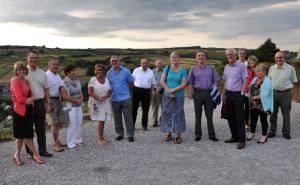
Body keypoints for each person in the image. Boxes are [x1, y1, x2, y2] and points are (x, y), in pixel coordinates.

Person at [10, 61, 45, 165]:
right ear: (16, 72)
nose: (21, 71)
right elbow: (20, 99)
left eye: (23, 69)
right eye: (19, 70)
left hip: (28, 111)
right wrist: (30, 100)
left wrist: (31, 99)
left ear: (26, 71)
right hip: (20, 112)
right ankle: (36, 154)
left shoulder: (27, 82)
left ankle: (17, 155)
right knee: (27, 136)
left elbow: (32, 95)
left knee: (20, 136)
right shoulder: (15, 81)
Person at [188, 50, 220, 142]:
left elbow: (216, 80)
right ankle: (198, 134)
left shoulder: (211, 68)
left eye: (202, 55)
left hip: (209, 93)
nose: (201, 57)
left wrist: (215, 92)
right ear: (196, 58)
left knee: (209, 115)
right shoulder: (193, 69)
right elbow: (190, 83)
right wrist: (191, 93)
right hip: (197, 93)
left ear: (205, 58)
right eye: (199, 55)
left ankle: (212, 135)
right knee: (198, 115)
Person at [25, 51, 52, 158]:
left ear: (38, 59)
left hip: (40, 102)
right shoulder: (23, 72)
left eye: (35, 58)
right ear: (27, 58)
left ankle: (43, 150)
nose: (33, 60)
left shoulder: (42, 73)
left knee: (41, 127)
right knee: (28, 128)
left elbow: (46, 89)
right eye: (31, 57)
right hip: (28, 104)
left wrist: (48, 103)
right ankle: (30, 152)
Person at [268, 51, 298, 139]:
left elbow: (294, 81)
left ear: (284, 58)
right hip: (274, 93)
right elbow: (269, 81)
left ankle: (286, 132)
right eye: (277, 58)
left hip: (286, 93)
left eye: (280, 57)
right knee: (273, 114)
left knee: (286, 114)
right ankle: (272, 131)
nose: (279, 59)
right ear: (275, 58)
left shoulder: (290, 68)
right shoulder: (272, 68)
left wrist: (292, 93)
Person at [222, 48, 248, 149]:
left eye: (231, 54)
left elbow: (245, 79)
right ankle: (234, 137)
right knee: (230, 117)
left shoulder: (241, 66)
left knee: (239, 118)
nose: (229, 56)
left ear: (235, 55)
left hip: (238, 94)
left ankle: (242, 140)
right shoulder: (226, 67)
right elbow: (225, 81)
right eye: (227, 55)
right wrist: (223, 94)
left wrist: (242, 92)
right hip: (228, 94)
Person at [160, 51, 187, 144]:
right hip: (166, 95)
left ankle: (178, 135)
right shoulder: (167, 68)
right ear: (170, 59)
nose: (174, 59)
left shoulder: (183, 70)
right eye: (173, 57)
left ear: (179, 59)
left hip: (178, 96)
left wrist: (172, 91)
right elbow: (162, 81)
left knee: (178, 114)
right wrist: (168, 90)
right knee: (167, 113)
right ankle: (169, 133)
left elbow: (184, 84)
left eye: (176, 57)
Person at [107, 55, 135, 142]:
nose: (114, 62)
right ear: (110, 62)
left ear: (119, 61)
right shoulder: (108, 73)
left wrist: (127, 93)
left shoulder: (126, 71)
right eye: (112, 61)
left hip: (125, 98)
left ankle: (130, 135)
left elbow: (131, 84)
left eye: (116, 61)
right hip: (114, 98)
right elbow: (108, 85)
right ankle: (120, 134)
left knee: (128, 117)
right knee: (117, 118)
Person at [247, 63, 273, 144]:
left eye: (258, 71)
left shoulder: (268, 81)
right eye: (256, 71)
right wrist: (250, 99)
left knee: (263, 120)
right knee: (253, 119)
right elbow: (250, 90)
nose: (256, 73)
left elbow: (264, 94)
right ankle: (252, 133)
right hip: (253, 104)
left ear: (264, 71)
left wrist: (253, 98)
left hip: (263, 105)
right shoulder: (254, 79)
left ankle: (264, 135)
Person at [60, 64, 84, 149]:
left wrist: (81, 100)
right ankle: (71, 143)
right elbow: (64, 96)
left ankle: (78, 140)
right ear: (67, 72)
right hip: (70, 106)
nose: (74, 72)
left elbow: (80, 92)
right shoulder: (63, 82)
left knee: (79, 123)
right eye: (72, 70)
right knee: (72, 124)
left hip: (78, 105)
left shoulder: (77, 81)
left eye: (75, 70)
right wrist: (75, 101)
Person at [88, 64, 112, 145]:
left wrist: (106, 96)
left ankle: (101, 137)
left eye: (101, 70)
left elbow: (110, 91)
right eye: (98, 70)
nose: (100, 71)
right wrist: (98, 97)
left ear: (103, 71)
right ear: (95, 71)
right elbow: (90, 92)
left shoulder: (107, 80)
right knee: (101, 120)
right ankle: (101, 138)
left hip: (105, 102)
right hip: (96, 102)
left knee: (103, 120)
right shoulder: (93, 80)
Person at [45, 58, 66, 152]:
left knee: (58, 123)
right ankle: (55, 144)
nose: (56, 66)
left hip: (58, 100)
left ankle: (57, 141)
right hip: (51, 100)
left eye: (57, 64)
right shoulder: (46, 75)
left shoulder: (57, 75)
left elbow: (61, 88)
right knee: (54, 123)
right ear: (49, 65)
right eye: (53, 64)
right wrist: (48, 103)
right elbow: (44, 90)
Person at [132, 58, 155, 130]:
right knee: (133, 109)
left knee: (145, 109)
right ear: (140, 63)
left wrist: (151, 94)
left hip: (146, 92)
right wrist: (132, 90)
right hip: (136, 91)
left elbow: (152, 84)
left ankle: (144, 125)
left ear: (148, 64)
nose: (144, 64)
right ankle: (132, 125)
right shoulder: (136, 70)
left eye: (146, 63)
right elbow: (131, 80)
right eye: (143, 63)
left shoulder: (151, 72)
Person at [244, 55, 258, 131]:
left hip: (256, 93)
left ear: (256, 62)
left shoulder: (258, 70)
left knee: (254, 109)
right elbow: (244, 80)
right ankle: (246, 124)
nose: (252, 62)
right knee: (246, 109)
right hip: (247, 92)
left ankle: (253, 124)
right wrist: (248, 86)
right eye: (251, 61)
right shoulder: (246, 70)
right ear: (248, 62)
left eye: (254, 60)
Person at [151, 59, 164, 127]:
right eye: (158, 63)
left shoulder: (165, 71)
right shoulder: (152, 71)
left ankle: (162, 120)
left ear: (162, 64)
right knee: (155, 108)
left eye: (160, 63)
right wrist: (152, 90)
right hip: (155, 91)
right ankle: (154, 121)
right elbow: (150, 81)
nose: (159, 65)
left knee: (164, 107)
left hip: (164, 91)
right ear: (155, 64)